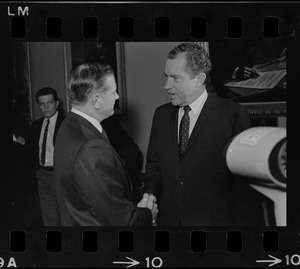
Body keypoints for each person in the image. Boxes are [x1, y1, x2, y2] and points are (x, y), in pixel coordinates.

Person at [141, 42, 265, 226]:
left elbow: (245, 187)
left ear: (198, 79)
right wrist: (150, 193)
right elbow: (154, 165)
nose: (166, 85)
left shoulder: (232, 115)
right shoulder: (161, 115)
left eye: (175, 78)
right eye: (166, 77)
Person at [54, 63, 158, 226]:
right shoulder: (91, 148)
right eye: (113, 92)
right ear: (96, 101)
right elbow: (122, 221)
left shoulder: (69, 125)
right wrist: (148, 213)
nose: (117, 97)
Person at [27, 87, 65, 226]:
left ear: (57, 103)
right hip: (42, 175)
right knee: (49, 219)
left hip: (60, 175)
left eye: (49, 103)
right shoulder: (36, 125)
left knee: (66, 217)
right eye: (42, 104)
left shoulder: (66, 123)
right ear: (38, 106)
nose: (46, 107)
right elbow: (31, 152)